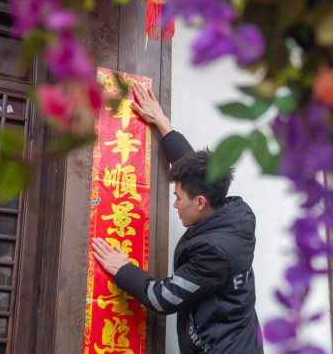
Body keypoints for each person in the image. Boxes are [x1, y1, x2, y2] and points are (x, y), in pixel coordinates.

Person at [92, 83, 264, 354]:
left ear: (200, 202)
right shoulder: (235, 214)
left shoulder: (215, 252)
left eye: (178, 198)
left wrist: (123, 268)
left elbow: (163, 299)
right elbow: (194, 171)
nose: (174, 204)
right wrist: (162, 123)